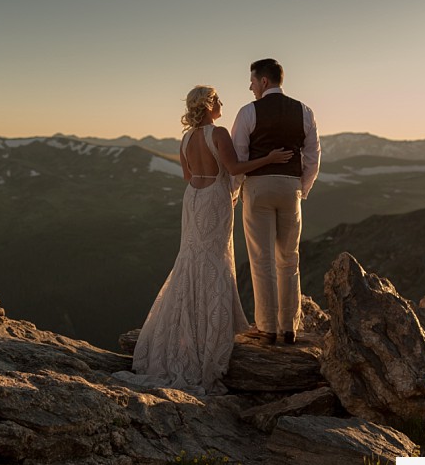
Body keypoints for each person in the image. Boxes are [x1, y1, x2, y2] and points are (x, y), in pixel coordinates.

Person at [114, 85, 293, 396]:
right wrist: (270, 158)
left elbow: (187, 176)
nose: (222, 104)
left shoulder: (185, 139)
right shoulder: (218, 133)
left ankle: (190, 327)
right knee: (215, 260)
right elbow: (235, 168)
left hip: (193, 197)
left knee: (192, 258)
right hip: (214, 199)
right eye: (218, 100)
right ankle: (211, 331)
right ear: (209, 105)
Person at [231, 58, 320, 345]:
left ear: (264, 82)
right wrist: (300, 189)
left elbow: (239, 156)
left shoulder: (248, 112)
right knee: (289, 258)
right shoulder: (304, 111)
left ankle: (268, 327)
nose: (250, 87)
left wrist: (235, 192)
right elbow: (313, 157)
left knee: (262, 259)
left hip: (258, 187)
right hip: (290, 188)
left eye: (253, 81)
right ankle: (290, 326)